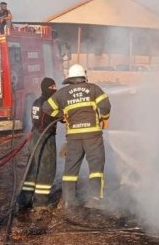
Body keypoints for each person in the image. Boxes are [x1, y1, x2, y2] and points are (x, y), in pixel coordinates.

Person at [42, 64, 111, 209]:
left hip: (73, 137)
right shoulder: (93, 88)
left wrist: (62, 116)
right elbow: (105, 105)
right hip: (93, 135)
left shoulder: (62, 93)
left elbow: (46, 107)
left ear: (70, 78)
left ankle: (69, 200)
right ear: (83, 76)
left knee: (70, 170)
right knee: (96, 167)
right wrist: (104, 118)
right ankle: (94, 199)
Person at [18, 78, 58, 210]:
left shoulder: (36, 101)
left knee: (32, 168)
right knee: (46, 169)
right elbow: (58, 116)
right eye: (53, 86)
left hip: (35, 137)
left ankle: (25, 199)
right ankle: (40, 202)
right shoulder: (48, 103)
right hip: (45, 138)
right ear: (47, 88)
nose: (55, 89)